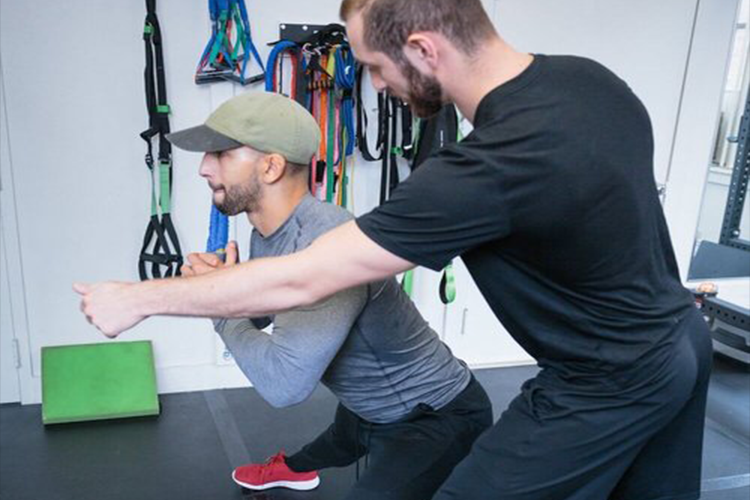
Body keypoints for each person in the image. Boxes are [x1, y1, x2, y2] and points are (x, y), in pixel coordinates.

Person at [75, 1, 713, 499]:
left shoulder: (481, 172)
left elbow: (301, 285)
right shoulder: (589, 83)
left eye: (376, 68)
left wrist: (139, 298)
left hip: (603, 379)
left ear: (423, 48)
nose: (378, 86)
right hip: (682, 338)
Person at [143, 91, 492, 499]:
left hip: (433, 417)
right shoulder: (268, 233)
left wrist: (218, 306)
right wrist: (227, 286)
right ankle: (292, 469)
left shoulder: (325, 238)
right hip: (366, 406)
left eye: (219, 153)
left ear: (271, 166)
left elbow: (285, 385)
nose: (203, 168)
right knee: (341, 439)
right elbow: (265, 313)